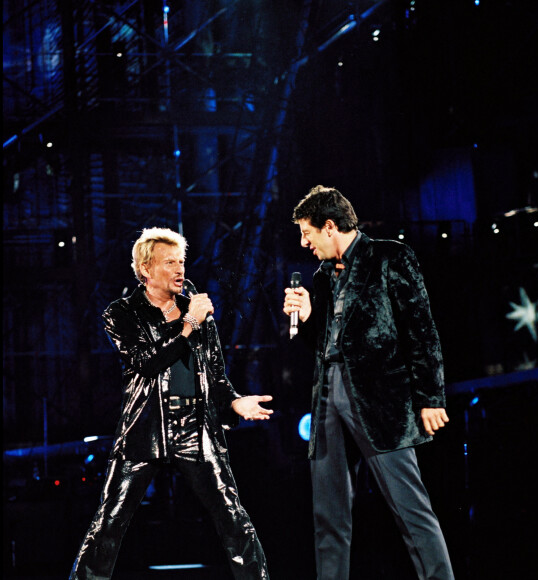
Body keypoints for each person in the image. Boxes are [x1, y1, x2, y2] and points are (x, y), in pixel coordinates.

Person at [70, 227, 272, 580]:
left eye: (181, 261)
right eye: (169, 262)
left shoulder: (196, 310)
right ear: (146, 269)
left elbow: (215, 376)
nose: (180, 269)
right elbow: (147, 361)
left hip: (197, 428)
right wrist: (189, 322)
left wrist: (236, 403)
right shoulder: (122, 313)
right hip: (144, 428)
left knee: (234, 520)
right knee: (109, 522)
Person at [283, 186, 454, 580]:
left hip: (380, 401)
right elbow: (324, 342)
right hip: (328, 392)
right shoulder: (324, 275)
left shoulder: (390, 257)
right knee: (329, 513)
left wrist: (430, 397)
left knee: (410, 509)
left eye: (307, 234)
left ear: (330, 226)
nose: (304, 243)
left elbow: (422, 330)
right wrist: (308, 316)